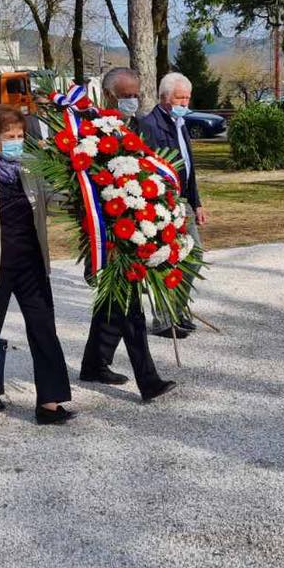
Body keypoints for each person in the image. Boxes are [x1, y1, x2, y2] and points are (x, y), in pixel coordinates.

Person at [0, 105, 75, 424]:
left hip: (31, 261)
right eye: (10, 136)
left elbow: (52, 200)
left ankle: (49, 402)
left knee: (43, 328)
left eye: (20, 135)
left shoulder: (32, 168)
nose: (17, 141)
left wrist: (77, 191)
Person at [75, 67, 178, 401]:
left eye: (136, 94)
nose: (133, 100)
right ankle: (148, 381)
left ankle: (94, 363)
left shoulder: (132, 128)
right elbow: (85, 190)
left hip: (132, 228)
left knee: (113, 303)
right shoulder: (89, 133)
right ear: (108, 96)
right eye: (126, 95)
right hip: (107, 234)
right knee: (131, 306)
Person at [138, 71, 209, 337]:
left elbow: (188, 168)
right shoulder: (150, 125)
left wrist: (197, 202)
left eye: (188, 98)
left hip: (184, 202)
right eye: (180, 98)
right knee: (167, 260)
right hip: (162, 204)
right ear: (165, 98)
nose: (185, 103)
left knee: (194, 256)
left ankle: (178, 310)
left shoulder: (180, 123)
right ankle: (163, 319)